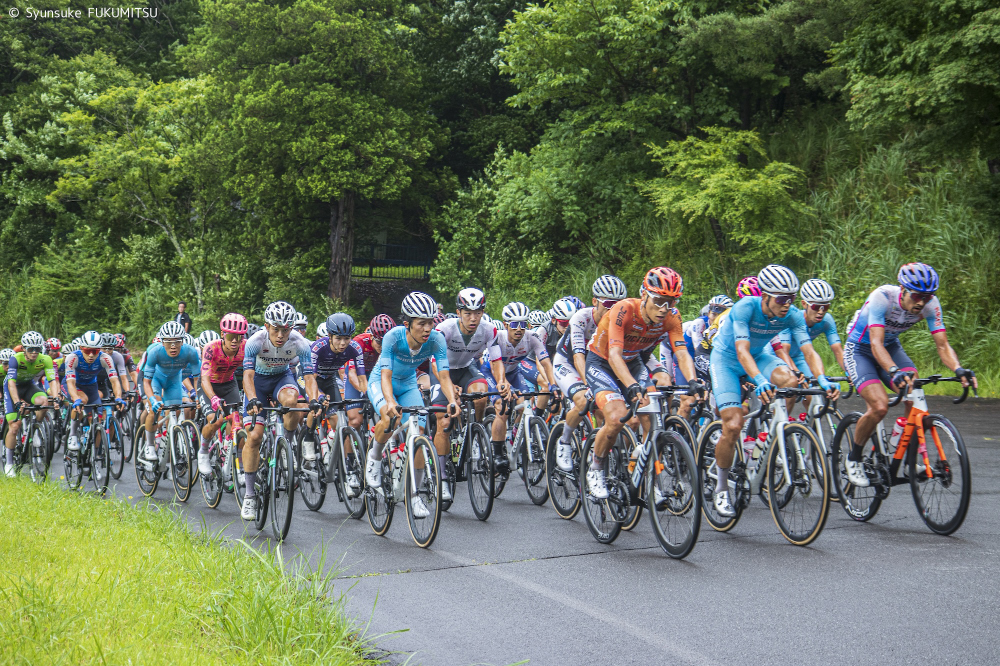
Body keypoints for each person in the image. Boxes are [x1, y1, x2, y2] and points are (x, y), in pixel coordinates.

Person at [707, 265, 840, 517]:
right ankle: (722, 487)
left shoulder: (792, 315)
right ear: (765, 296)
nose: (787, 304)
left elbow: (808, 351)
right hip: (726, 360)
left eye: (791, 299)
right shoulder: (745, 307)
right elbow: (741, 350)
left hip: (758, 356)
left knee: (789, 382)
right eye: (781, 299)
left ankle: (766, 437)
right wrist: (759, 380)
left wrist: (821, 379)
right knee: (733, 425)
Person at [841, 263, 976, 487]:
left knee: (915, 397)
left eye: (927, 296)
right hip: (860, 349)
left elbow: (943, 346)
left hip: (891, 346)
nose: (921, 302)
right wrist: (893, 371)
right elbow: (875, 343)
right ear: (903, 290)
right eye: (916, 296)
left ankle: (907, 458)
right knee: (880, 406)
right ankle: (853, 459)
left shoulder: (930, 305)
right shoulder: (882, 297)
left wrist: (959, 369)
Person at [583, 267, 703, 499]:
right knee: (617, 417)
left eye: (670, 302)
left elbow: (681, 353)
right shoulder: (623, 310)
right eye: (658, 300)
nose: (663, 308)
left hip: (633, 362)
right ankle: (595, 468)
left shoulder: (672, 317)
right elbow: (615, 355)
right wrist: (631, 386)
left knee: (651, 414)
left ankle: (650, 480)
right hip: (602, 362)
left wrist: (693, 381)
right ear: (644, 295)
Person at [364, 292, 459, 519]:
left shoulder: (436, 340)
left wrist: (453, 400)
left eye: (431, 322)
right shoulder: (393, 337)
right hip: (381, 381)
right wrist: (390, 402)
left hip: (407, 384)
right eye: (422, 324)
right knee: (390, 417)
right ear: (407, 324)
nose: (428, 329)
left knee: (420, 433)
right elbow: (385, 376)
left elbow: (444, 377)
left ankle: (414, 495)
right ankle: (374, 458)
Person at [241, 301, 322, 520]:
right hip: (257, 382)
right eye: (276, 329)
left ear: (292, 328)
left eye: (285, 329)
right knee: (255, 437)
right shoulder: (254, 342)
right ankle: (249, 495)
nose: (280, 334)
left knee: (293, 400)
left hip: (281, 378)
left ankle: (286, 443)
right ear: (266, 326)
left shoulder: (300, 342)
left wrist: (314, 400)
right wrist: (252, 399)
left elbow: (308, 376)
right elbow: (247, 376)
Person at [430, 288, 507, 501]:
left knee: (481, 394)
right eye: (467, 313)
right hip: (441, 371)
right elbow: (436, 364)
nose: (473, 318)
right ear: (458, 312)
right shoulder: (444, 330)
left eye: (478, 313)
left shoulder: (489, 330)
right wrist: (449, 389)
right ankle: (443, 477)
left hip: (465, 369)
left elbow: (496, 360)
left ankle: (475, 431)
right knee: (444, 421)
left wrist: (501, 381)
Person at [552, 275, 627, 471]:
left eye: (618, 304)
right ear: (595, 301)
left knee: (608, 410)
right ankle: (565, 441)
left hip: (597, 365)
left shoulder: (620, 321)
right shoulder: (582, 318)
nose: (613, 309)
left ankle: (597, 451)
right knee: (584, 400)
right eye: (609, 304)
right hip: (567, 362)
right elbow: (578, 357)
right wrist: (591, 385)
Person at [197, 313, 247, 476]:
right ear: (223, 335)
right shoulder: (212, 348)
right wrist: (213, 398)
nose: (234, 341)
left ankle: (234, 456)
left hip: (229, 384)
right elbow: (204, 378)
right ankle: (203, 451)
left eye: (238, 337)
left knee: (237, 421)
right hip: (209, 385)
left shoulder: (246, 347)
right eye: (231, 336)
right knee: (216, 419)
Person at [4, 332, 60, 476]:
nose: (34, 352)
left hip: (29, 386)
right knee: (14, 426)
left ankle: (36, 430)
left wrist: (56, 397)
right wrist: (17, 402)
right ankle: (9, 463)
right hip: (14, 387)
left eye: (37, 349)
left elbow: (52, 380)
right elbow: (11, 383)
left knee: (44, 402)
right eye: (30, 349)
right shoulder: (15, 359)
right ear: (23, 348)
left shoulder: (46, 359)